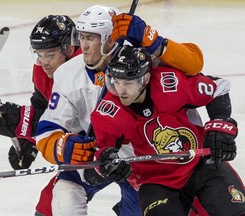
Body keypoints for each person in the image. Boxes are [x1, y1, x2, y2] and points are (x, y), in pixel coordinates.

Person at [36, 5, 206, 216]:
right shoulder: (68, 74)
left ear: (109, 38)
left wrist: (153, 40)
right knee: (63, 192)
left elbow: (194, 63)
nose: (84, 46)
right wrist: (62, 146)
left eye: (91, 38)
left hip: (153, 164)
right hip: (104, 157)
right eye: (81, 37)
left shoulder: (142, 59)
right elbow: (49, 127)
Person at [91, 45, 245, 216]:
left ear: (146, 78)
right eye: (116, 82)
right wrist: (107, 163)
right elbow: (102, 151)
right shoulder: (109, 110)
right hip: (155, 181)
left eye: (128, 82)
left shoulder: (171, 84)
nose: (121, 90)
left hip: (199, 164)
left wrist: (219, 125)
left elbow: (219, 87)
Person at [0, 15, 82, 216]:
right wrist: (27, 141)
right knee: (49, 207)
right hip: (79, 155)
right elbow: (41, 105)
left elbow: (78, 124)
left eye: (50, 54)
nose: (43, 62)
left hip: (113, 152)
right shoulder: (41, 70)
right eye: (39, 54)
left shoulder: (84, 72)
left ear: (69, 49)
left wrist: (24, 123)